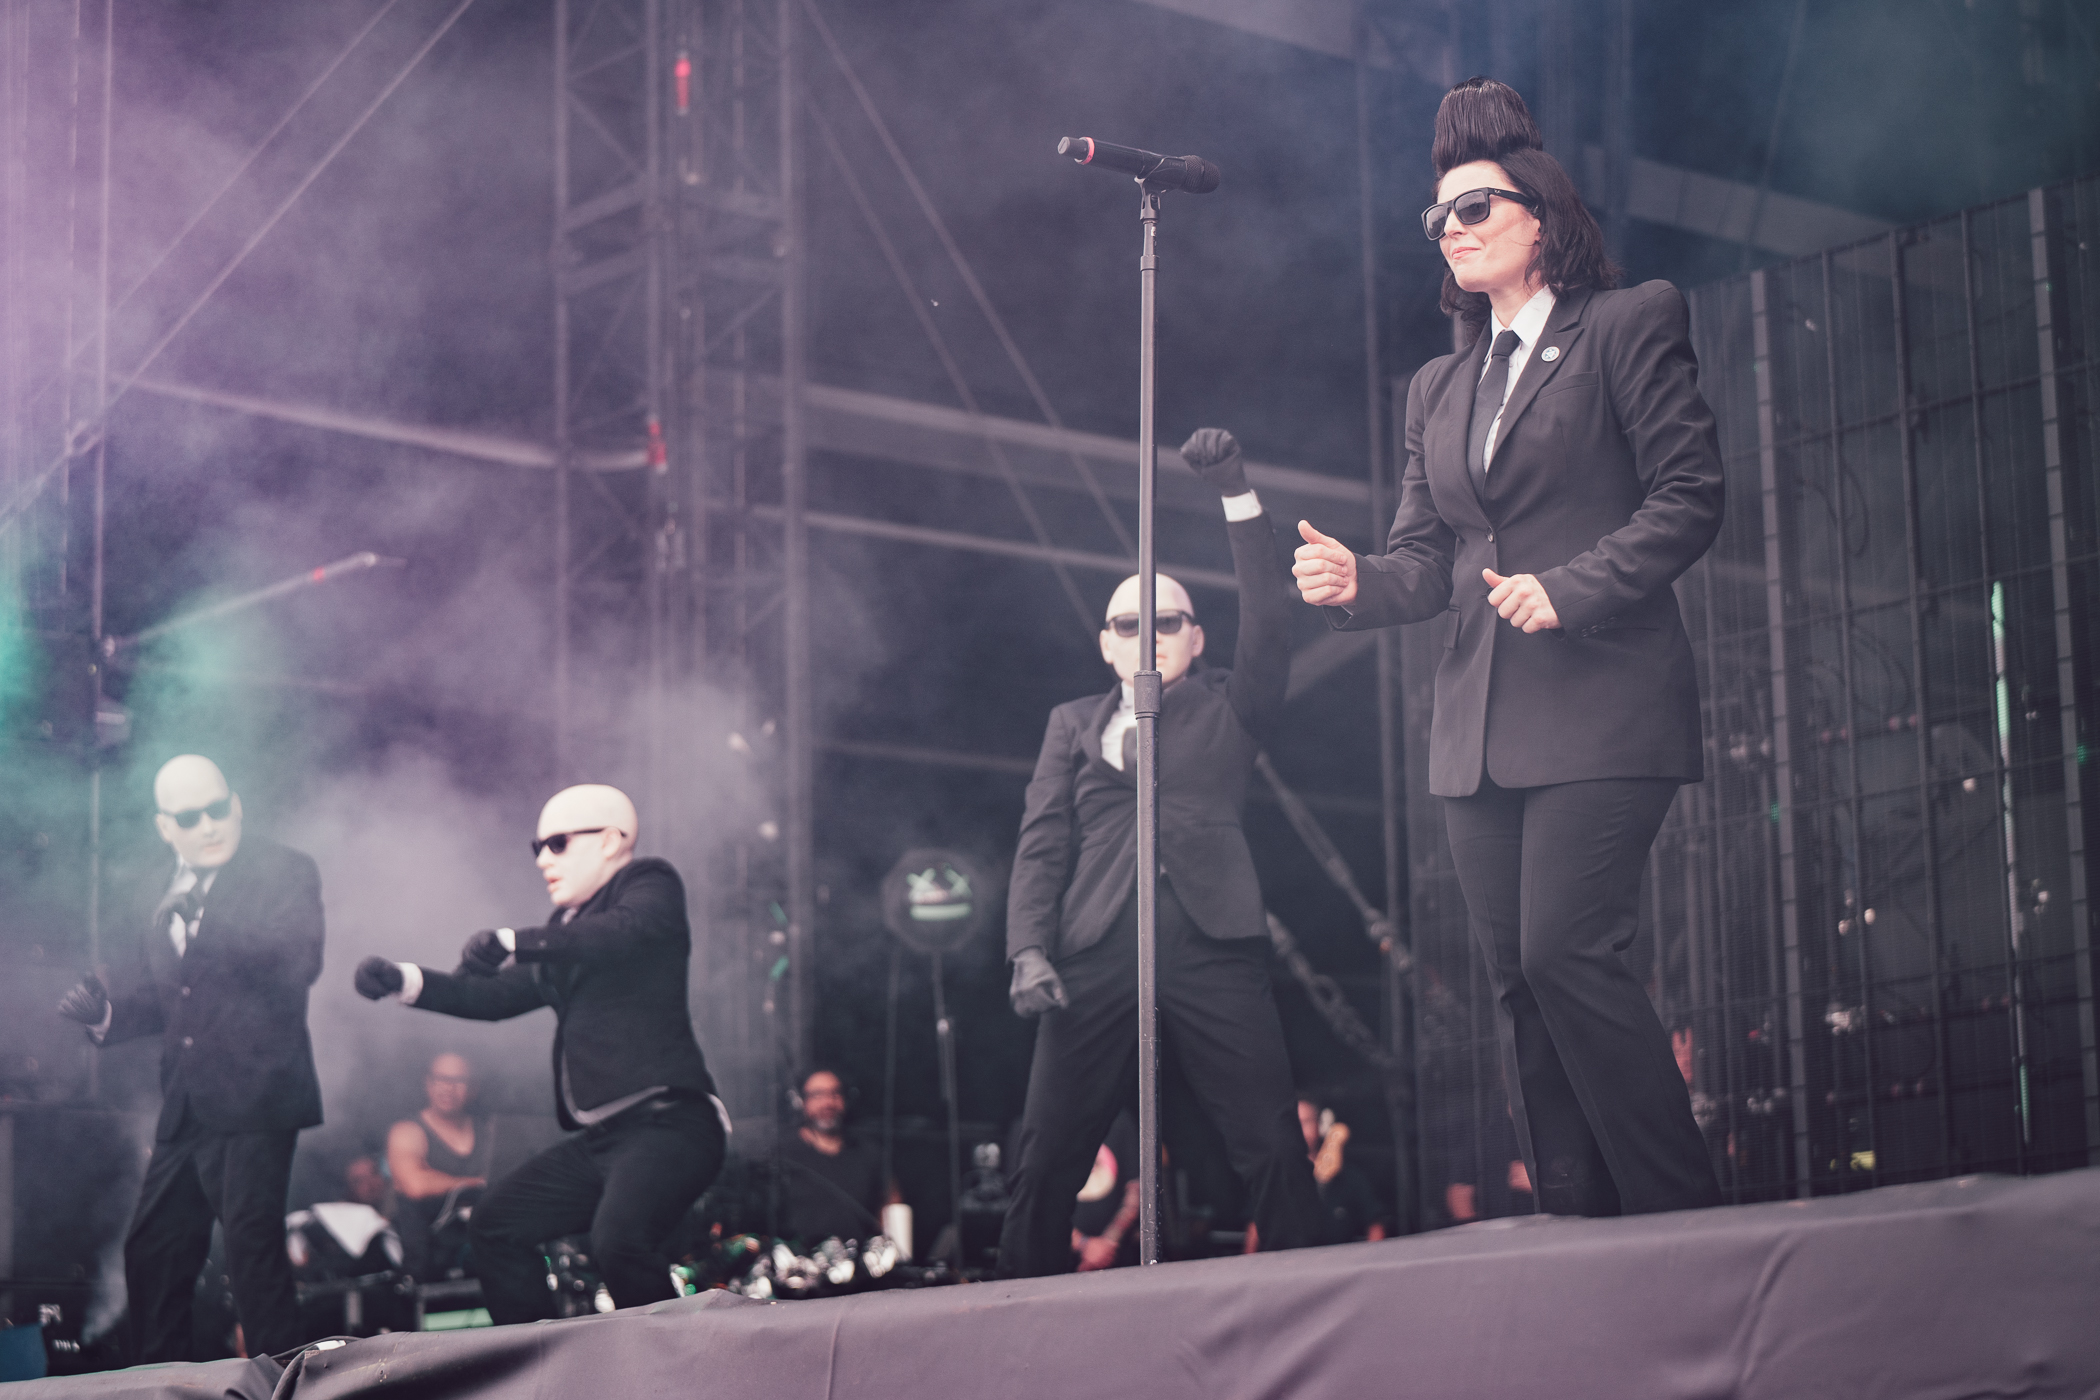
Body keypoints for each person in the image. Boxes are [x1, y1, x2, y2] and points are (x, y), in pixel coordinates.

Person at [1293, 77, 1724, 1218]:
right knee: (1517, 984)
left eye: (1475, 207)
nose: (1452, 228)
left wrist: (1570, 589)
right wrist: (1356, 581)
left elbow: (1689, 496)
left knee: (1565, 952)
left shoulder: (1628, 323)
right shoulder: (1439, 387)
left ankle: (1684, 1215)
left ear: (1542, 215)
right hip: (1478, 728)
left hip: (1603, 697)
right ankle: (1577, 1221)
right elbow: (1424, 561)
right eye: (1437, 216)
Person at [998, 427, 1323, 1277]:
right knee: (1046, 1158)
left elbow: (1270, 622)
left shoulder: (1228, 707)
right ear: (1106, 643)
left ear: (1196, 638)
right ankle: (1012, 1320)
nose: (1148, 635)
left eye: (1167, 621)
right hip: (1095, 948)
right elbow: (1042, 843)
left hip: (1209, 940)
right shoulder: (1071, 725)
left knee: (1270, 1143)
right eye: (1128, 624)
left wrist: (1237, 496)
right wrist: (1028, 947)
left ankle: (1311, 1301)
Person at [352, 784, 727, 1321]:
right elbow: (494, 997)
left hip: (673, 1125)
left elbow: (625, 932)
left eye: (557, 844)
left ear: (610, 841)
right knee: (496, 1225)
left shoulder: (649, 882)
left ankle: (679, 1365)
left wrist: (513, 941)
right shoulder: (563, 932)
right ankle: (543, 1364)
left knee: (619, 1241)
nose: (543, 861)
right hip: (606, 1140)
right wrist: (403, 981)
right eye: (537, 848)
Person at [56, 754, 324, 1362]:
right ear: (164, 827)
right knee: (153, 1250)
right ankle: (162, 1385)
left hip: (258, 1096)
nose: (207, 826)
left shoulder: (284, 869)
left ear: (237, 806)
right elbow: (171, 997)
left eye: (217, 809)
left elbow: (299, 959)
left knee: (252, 1252)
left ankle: (286, 1384)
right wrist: (105, 1017)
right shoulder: (160, 889)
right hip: (186, 1106)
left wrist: (202, 920)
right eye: (188, 817)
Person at [386, 1052, 492, 1280]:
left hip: (487, 1260)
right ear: (428, 1083)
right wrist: (478, 1183)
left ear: (473, 1088)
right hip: (428, 1268)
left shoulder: (488, 1131)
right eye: (440, 1079)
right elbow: (415, 1185)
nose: (448, 1088)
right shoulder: (407, 1132)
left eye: (458, 1080)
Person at [773, 1067, 890, 1245]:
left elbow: (891, 1199)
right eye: (818, 1095)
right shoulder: (782, 1154)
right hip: (801, 1259)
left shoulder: (868, 1152)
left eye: (835, 1094)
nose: (828, 1102)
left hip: (858, 1257)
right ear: (801, 1102)